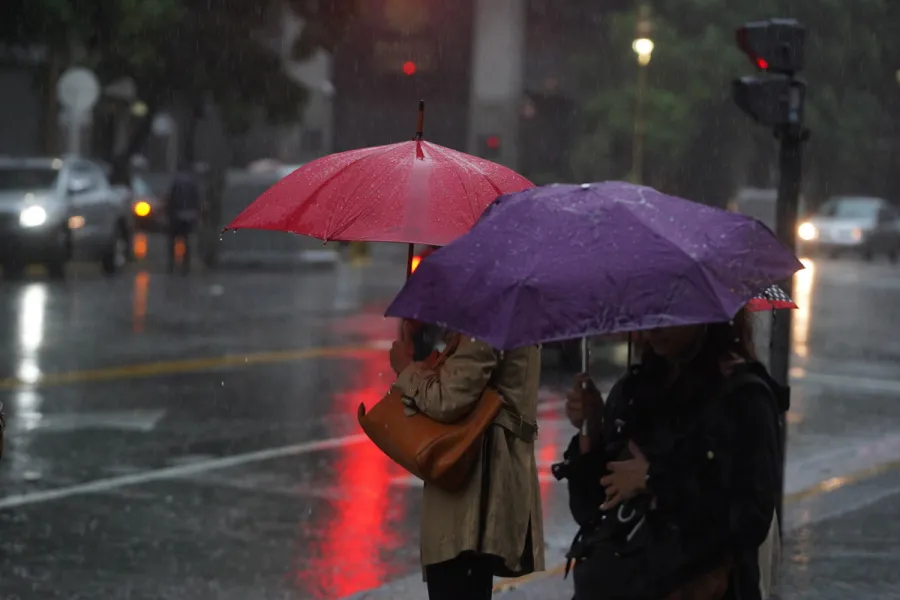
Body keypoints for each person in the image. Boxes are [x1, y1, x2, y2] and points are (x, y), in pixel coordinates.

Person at [556, 309, 785, 600]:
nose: (655, 323)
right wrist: (591, 433)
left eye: (670, 309)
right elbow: (590, 511)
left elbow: (750, 516)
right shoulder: (634, 390)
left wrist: (654, 478)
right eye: (647, 306)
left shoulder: (741, 396)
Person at [390, 322, 545, 600]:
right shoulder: (501, 313)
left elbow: (449, 398)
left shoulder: (486, 318)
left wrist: (407, 369)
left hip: (472, 489)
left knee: (457, 583)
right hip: (478, 481)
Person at [164, 165, 202, 274]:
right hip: (190, 215)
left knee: (172, 240)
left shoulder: (176, 182)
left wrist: (168, 213)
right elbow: (197, 199)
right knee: (186, 240)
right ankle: (186, 265)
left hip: (176, 215)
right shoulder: (193, 183)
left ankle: (171, 265)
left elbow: (170, 199)